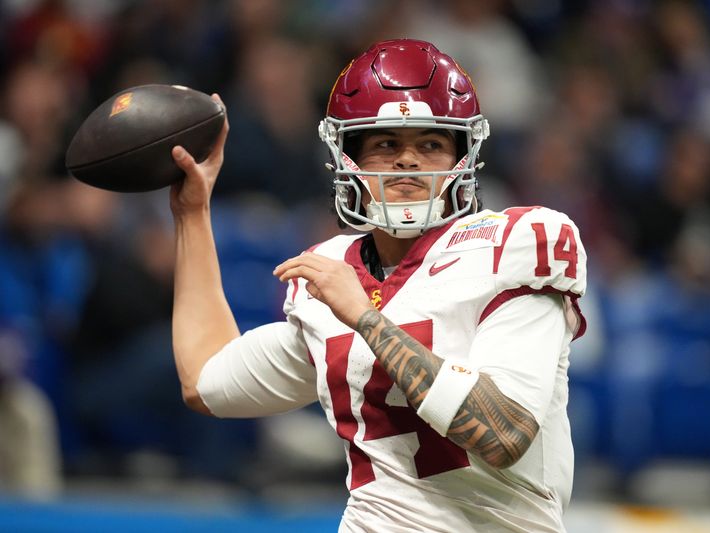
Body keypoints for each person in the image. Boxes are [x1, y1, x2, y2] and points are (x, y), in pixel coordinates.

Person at [169, 39, 587, 532]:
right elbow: (205, 381)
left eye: (430, 144)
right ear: (349, 160)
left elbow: (503, 432)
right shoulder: (329, 277)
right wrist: (192, 213)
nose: (407, 161)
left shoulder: (511, 246)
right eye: (386, 144)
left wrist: (368, 320)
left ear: (462, 157)